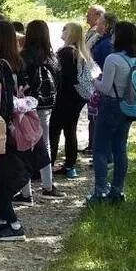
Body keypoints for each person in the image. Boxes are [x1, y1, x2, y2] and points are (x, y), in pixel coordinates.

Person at [0, 20, 49, 242]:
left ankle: (13, 224)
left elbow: (5, 102)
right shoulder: (18, 63)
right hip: (17, 129)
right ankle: (2, 219)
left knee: (0, 179)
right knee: (3, 176)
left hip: (5, 130)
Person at [87, 21, 136, 205]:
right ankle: (117, 191)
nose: (111, 35)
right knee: (120, 148)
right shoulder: (135, 58)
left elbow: (105, 87)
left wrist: (93, 79)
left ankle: (100, 192)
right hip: (127, 106)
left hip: (110, 104)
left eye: (114, 33)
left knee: (100, 149)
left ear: (120, 37)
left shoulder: (113, 59)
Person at [19, 20, 66, 202]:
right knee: (44, 144)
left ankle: (25, 191)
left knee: (25, 145)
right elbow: (59, 84)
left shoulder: (23, 57)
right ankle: (48, 185)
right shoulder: (52, 57)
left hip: (27, 106)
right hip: (46, 106)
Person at [51, 23, 92, 179]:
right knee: (70, 131)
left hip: (64, 97)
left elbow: (66, 76)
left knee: (54, 131)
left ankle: (49, 165)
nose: (62, 31)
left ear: (71, 33)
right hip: (77, 97)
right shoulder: (82, 52)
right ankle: (70, 166)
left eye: (65, 29)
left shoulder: (67, 52)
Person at [86, 12, 117, 155]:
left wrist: (95, 80)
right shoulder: (100, 39)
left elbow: (106, 69)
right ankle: (98, 149)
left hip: (102, 88)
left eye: (100, 21)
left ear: (107, 26)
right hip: (98, 87)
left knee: (101, 123)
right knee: (94, 119)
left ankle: (104, 155)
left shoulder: (107, 44)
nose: (97, 23)